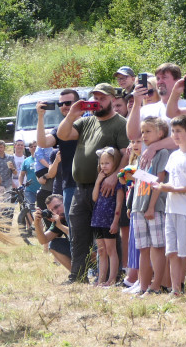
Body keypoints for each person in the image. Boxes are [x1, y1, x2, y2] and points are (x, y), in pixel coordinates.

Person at [55, 84, 129, 284]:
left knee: (108, 235)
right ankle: (78, 276)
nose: (98, 102)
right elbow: (62, 135)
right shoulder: (86, 121)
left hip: (106, 189)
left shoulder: (120, 123)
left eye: (102, 98)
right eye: (95, 98)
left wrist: (115, 176)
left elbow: (126, 153)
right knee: (78, 233)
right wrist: (72, 114)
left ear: (112, 99)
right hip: (80, 188)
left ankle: (115, 275)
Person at [156, 115, 186, 296]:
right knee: (172, 252)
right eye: (173, 131)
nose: (175, 135)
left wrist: (172, 189)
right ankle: (175, 288)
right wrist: (158, 185)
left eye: (179, 131)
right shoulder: (174, 155)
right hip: (171, 209)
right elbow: (169, 181)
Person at [131, 117, 171, 295]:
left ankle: (157, 285)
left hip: (154, 207)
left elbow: (159, 180)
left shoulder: (162, 153)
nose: (144, 135)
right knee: (143, 248)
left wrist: (151, 207)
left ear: (161, 133)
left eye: (148, 131)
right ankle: (143, 286)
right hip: (138, 206)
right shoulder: (143, 155)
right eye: (142, 132)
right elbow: (142, 180)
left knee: (157, 247)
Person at [37, 89, 80, 221]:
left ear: (78, 103)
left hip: (91, 183)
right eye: (60, 104)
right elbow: (43, 142)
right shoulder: (59, 129)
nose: (64, 107)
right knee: (73, 227)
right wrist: (40, 116)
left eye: (67, 103)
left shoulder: (90, 123)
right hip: (70, 185)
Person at [91, 147, 123, 286]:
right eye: (102, 163)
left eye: (107, 163)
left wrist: (115, 222)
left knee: (111, 250)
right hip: (97, 219)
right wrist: (98, 182)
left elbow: (119, 204)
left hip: (109, 220)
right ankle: (101, 279)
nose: (104, 166)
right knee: (101, 251)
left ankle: (112, 279)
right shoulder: (101, 179)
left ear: (115, 164)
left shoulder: (117, 183)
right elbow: (94, 198)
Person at [33, 193, 71, 272]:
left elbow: (78, 236)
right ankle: (77, 274)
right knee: (54, 245)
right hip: (77, 251)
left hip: (91, 248)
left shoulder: (75, 213)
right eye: (52, 210)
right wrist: (37, 224)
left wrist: (60, 226)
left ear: (65, 202)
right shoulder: (59, 220)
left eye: (57, 207)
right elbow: (43, 240)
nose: (56, 212)